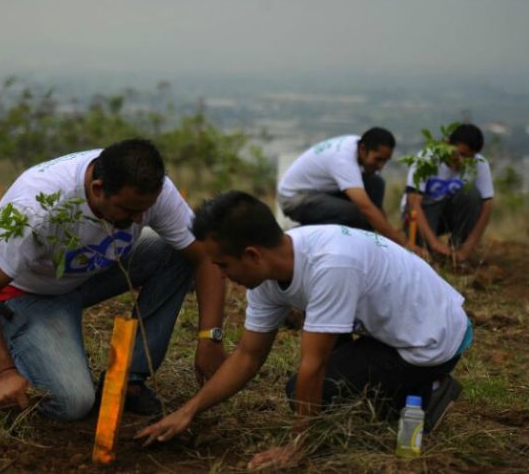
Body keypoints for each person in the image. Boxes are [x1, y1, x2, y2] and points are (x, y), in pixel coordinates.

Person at [136, 191, 472, 469]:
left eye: (223, 265)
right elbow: (247, 357)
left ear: (252, 254)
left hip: (430, 341)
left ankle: (427, 391)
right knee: (317, 387)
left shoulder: (331, 264)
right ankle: (400, 389)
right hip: (387, 325)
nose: (221, 276)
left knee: (308, 390)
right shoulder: (269, 270)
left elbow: (314, 367)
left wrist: (299, 446)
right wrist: (187, 412)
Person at [0, 138, 227, 420]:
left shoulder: (150, 192)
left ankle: (129, 380)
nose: (139, 219)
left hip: (85, 272)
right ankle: (4, 346)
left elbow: (204, 256)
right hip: (25, 292)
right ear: (98, 189)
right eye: (128, 211)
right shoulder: (40, 207)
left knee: (175, 252)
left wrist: (210, 338)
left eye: (144, 210)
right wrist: (3, 372)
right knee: (72, 403)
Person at [277, 128, 425, 256]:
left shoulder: (358, 145)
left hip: (320, 192)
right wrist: (403, 244)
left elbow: (375, 206)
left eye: (385, 161)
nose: (381, 166)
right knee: (355, 213)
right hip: (294, 199)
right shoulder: (342, 159)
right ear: (363, 149)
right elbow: (366, 207)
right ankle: (299, 237)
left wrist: (388, 236)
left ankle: (366, 244)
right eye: (378, 159)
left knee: (376, 183)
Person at [402, 123, 494, 262]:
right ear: (446, 144)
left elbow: (487, 206)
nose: (463, 161)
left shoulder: (479, 163)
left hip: (447, 215)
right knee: (426, 255)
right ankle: (427, 248)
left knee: (472, 195)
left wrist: (465, 250)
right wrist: (434, 243)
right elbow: (413, 202)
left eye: (469, 157)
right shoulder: (427, 158)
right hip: (420, 217)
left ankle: (455, 253)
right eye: (460, 154)